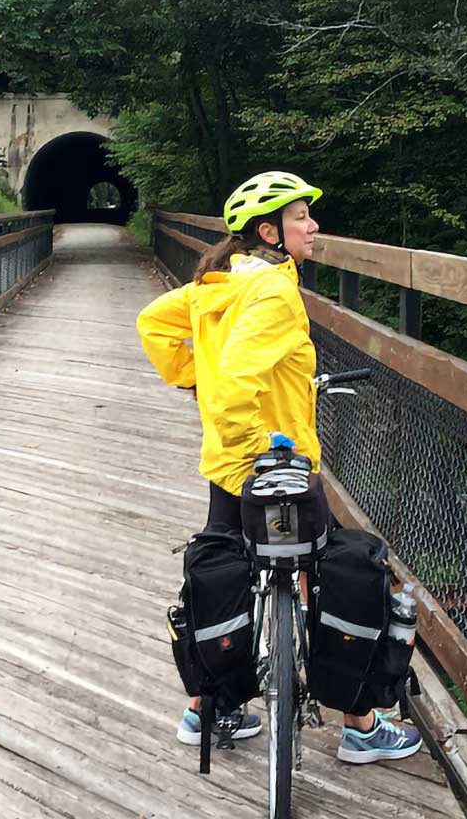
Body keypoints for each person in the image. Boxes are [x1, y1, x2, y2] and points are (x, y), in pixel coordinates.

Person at [136, 170, 424, 765]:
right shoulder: (273, 292)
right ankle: (362, 724)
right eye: (301, 218)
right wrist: (253, 450)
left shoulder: (217, 283)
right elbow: (240, 376)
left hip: (225, 463)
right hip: (274, 464)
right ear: (269, 230)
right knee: (327, 574)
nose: (313, 226)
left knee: (223, 570)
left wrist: (194, 375)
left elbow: (154, 324)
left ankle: (209, 709)